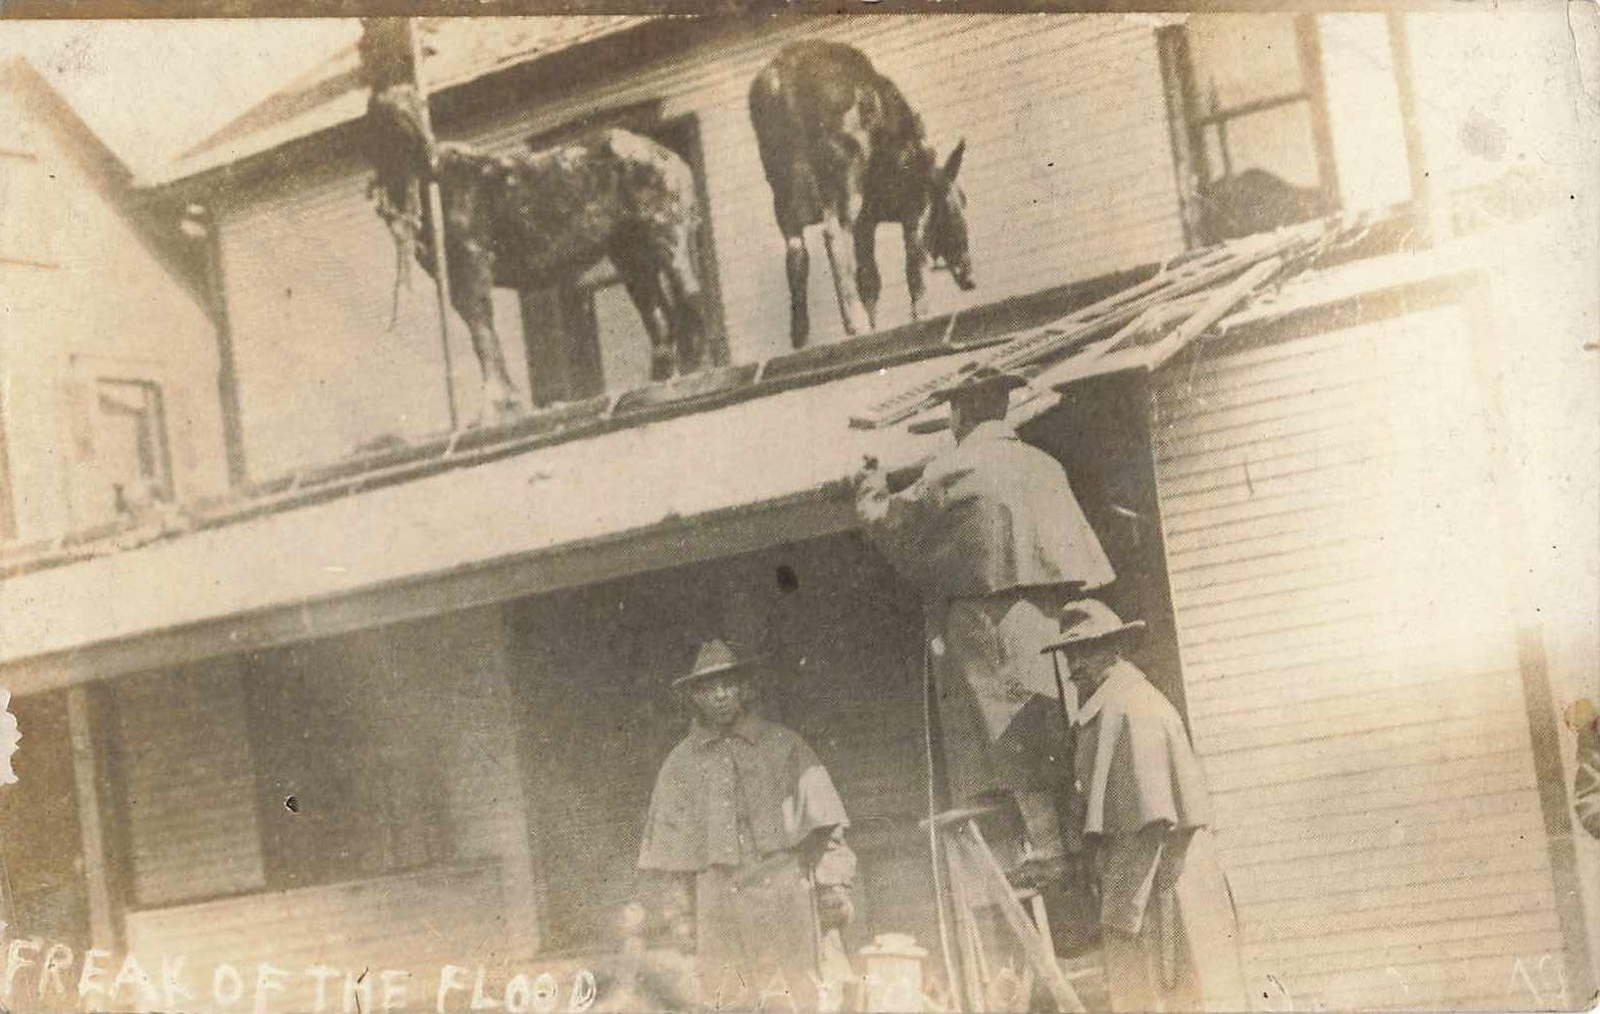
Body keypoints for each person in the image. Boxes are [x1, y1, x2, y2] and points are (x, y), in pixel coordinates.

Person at [852, 364, 1115, 878]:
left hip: (991, 621)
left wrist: (870, 492)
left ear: (959, 412)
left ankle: (1045, 850)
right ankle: (1072, 843)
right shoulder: (1045, 466)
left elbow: (894, 524)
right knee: (1055, 725)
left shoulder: (954, 469)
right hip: (1051, 618)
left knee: (1009, 734)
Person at [1042, 599, 1246, 1013]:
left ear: (1111, 651)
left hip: (1159, 881)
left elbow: (1147, 822)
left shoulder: (1130, 709)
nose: (1072, 667)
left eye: (1082, 653)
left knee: (1166, 992)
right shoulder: (1116, 703)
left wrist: (1121, 911)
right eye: (1068, 654)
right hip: (1156, 881)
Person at [637, 638, 857, 1013]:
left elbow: (827, 830)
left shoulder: (784, 745)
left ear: (744, 688)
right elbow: (669, 859)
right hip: (719, 899)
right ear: (695, 696)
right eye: (708, 687)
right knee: (728, 996)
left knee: (802, 994)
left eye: (728, 684)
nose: (721, 695)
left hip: (784, 891)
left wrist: (831, 888)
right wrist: (681, 918)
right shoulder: (680, 765)